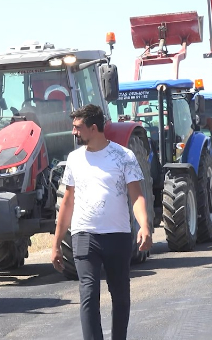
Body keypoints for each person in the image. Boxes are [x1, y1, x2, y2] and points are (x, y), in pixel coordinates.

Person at [51, 104, 152, 340]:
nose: (74, 132)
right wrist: (56, 243)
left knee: (120, 296)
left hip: (117, 236)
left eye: (77, 127)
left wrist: (144, 225)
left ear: (93, 128)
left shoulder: (122, 156)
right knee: (88, 295)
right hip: (84, 236)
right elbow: (67, 202)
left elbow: (136, 195)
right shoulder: (74, 159)